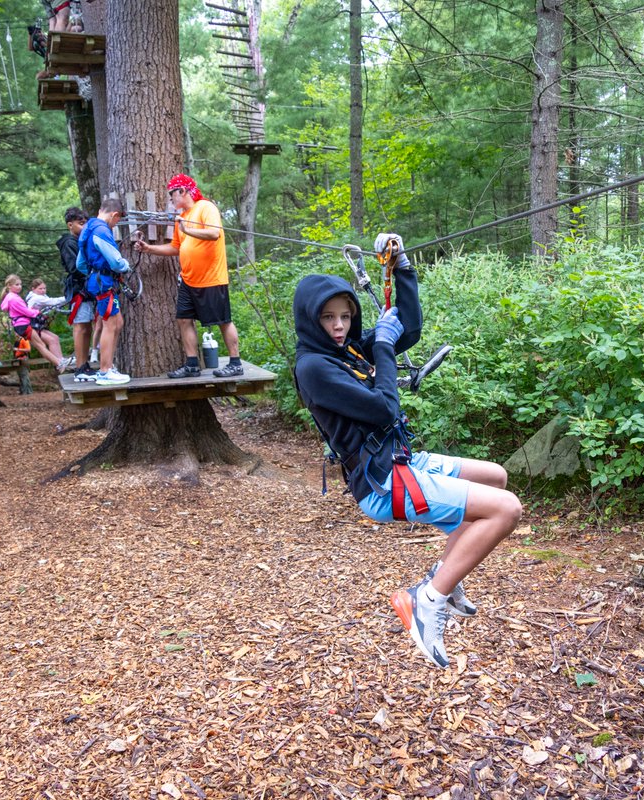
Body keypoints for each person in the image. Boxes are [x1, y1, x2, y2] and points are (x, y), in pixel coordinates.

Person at [292, 233, 523, 669]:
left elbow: (409, 328)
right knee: (506, 510)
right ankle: (427, 600)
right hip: (381, 483)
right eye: (328, 318)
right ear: (310, 319)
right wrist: (380, 345)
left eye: (345, 316)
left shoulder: (346, 350)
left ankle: (444, 577)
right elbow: (382, 409)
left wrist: (402, 268)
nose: (339, 326)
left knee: (495, 477)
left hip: (399, 461)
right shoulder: (315, 367)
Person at [135, 174, 244, 379]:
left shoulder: (206, 208)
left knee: (223, 320)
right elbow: (176, 247)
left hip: (212, 278)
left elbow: (214, 234)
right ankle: (192, 364)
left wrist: (188, 229)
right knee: (184, 320)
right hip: (188, 279)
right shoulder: (181, 218)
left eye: (172, 195)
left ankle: (235, 363)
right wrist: (149, 248)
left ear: (183, 191)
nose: (170, 200)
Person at [76, 197, 133, 386]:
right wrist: (126, 266)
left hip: (96, 280)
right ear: (114, 214)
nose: (116, 224)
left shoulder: (87, 228)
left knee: (117, 322)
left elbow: (80, 263)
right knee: (110, 324)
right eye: (117, 220)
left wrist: (93, 273)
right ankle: (105, 370)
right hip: (104, 282)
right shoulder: (102, 230)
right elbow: (116, 262)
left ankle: (109, 366)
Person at [59, 206, 102, 382]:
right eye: (80, 223)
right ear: (70, 225)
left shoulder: (82, 241)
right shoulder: (69, 243)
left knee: (87, 327)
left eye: (85, 223)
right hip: (78, 290)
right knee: (80, 327)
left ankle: (85, 365)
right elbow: (74, 268)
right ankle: (80, 367)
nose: (84, 226)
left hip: (88, 290)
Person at [0, 274, 65, 373]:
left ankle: (59, 363)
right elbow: (27, 311)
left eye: (20, 284)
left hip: (21, 325)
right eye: (16, 284)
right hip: (23, 325)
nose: (19, 286)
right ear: (9, 286)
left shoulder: (11, 297)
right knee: (41, 346)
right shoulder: (14, 298)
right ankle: (59, 364)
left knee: (41, 344)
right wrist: (37, 312)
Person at [25, 278, 69, 367]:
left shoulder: (43, 296)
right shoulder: (35, 298)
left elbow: (54, 305)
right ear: (33, 289)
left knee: (55, 338)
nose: (43, 290)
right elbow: (53, 302)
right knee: (51, 340)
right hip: (30, 326)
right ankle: (59, 363)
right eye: (40, 289)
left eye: (44, 288)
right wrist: (69, 297)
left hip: (37, 325)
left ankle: (61, 360)